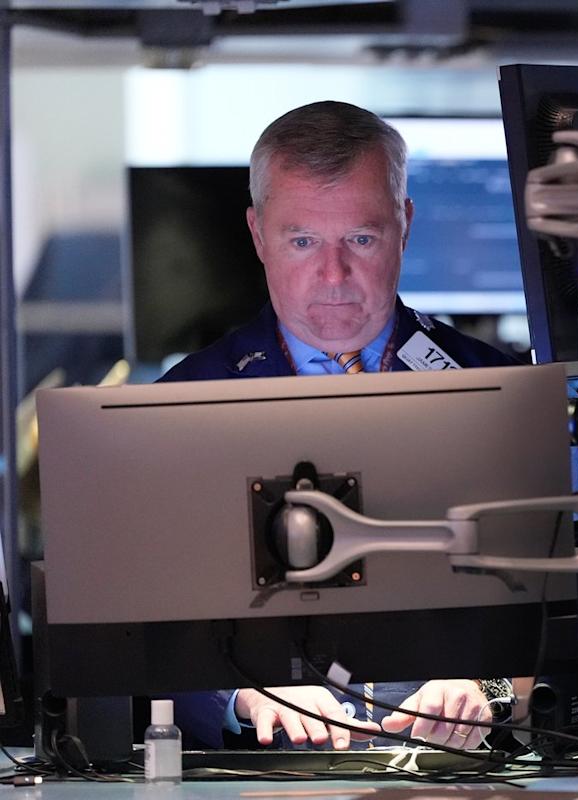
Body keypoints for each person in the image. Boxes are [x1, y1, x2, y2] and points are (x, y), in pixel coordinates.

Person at [160, 100, 518, 751]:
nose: (333, 275)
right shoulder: (177, 407)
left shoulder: (501, 392)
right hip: (259, 779)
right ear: (258, 235)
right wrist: (242, 692)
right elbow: (139, 629)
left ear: (404, 226)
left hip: (458, 773)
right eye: (302, 241)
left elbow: (567, 610)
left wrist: (487, 686)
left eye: (361, 238)